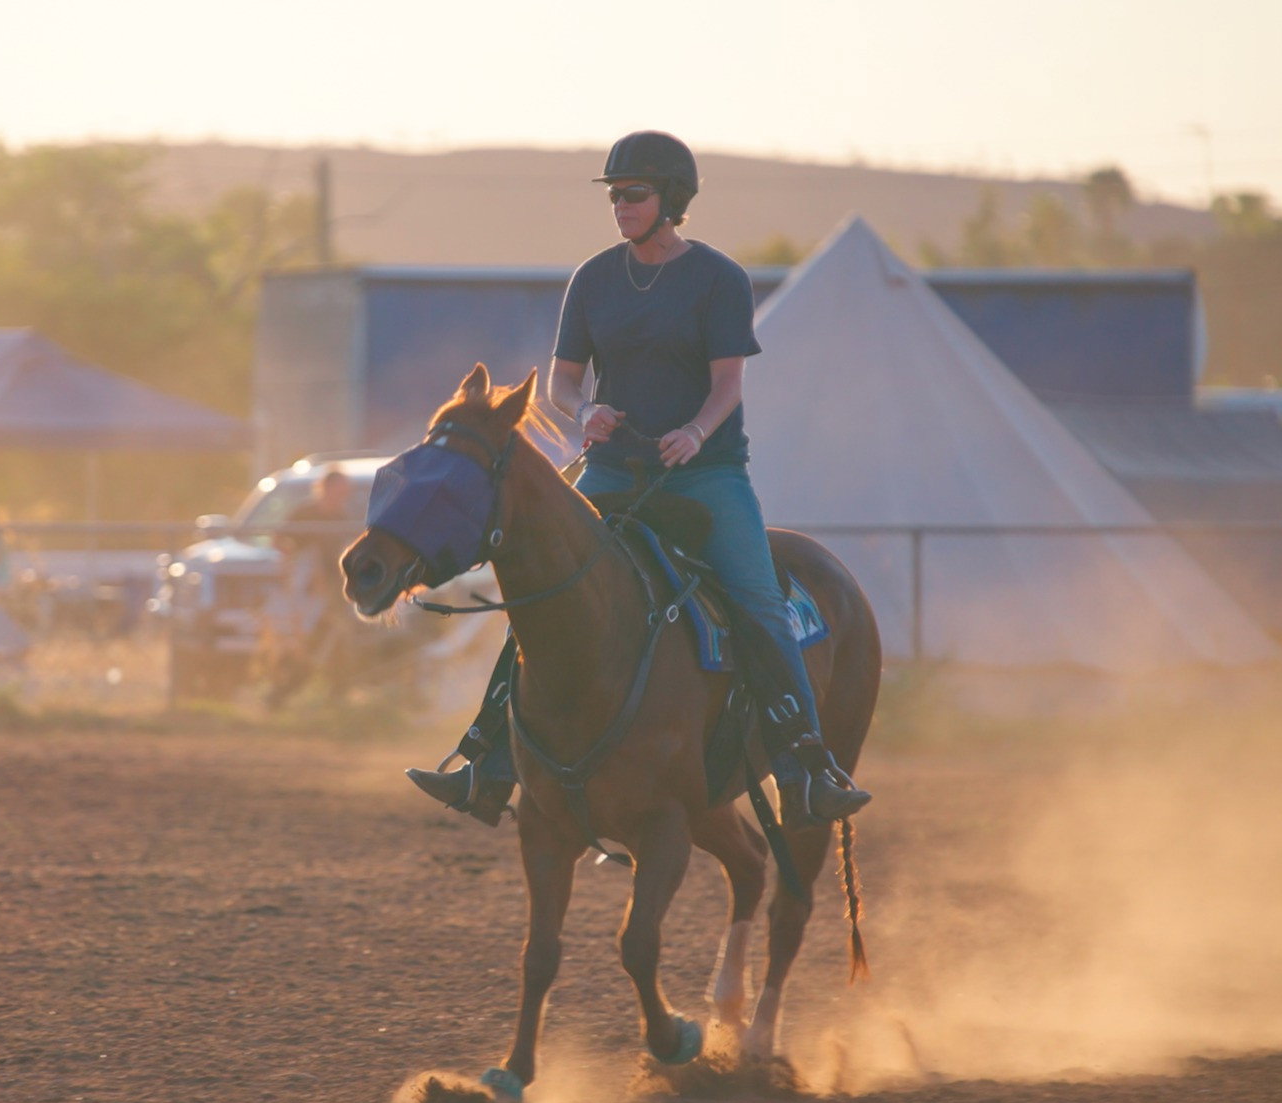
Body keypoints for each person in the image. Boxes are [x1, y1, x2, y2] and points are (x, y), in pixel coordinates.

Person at [406, 130, 871, 829]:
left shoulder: (718, 279)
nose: (620, 205)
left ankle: (806, 768)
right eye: (614, 195)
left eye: (634, 194)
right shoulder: (593, 278)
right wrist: (583, 410)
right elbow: (562, 381)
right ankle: (488, 761)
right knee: (543, 592)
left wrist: (696, 433)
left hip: (705, 474)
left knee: (757, 600)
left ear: (672, 200)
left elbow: (728, 384)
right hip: (611, 471)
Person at [265, 468, 360, 705]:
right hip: (305, 593)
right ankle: (281, 693)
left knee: (334, 640)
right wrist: (297, 562)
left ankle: (336, 694)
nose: (342, 496)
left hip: (332, 590)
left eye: (344, 492)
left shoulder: (342, 517)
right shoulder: (305, 513)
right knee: (307, 644)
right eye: (338, 490)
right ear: (325, 488)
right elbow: (278, 540)